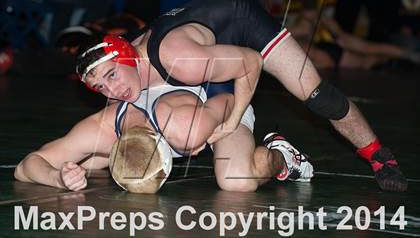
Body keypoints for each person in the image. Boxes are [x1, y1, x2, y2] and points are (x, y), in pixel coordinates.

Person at [76, 0, 408, 192]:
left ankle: (379, 156)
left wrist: (232, 119)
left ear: (128, 60)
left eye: (110, 79)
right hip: (204, 49)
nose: (111, 90)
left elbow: (250, 63)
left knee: (317, 94)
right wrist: (81, 164)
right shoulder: (121, 68)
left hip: (243, 25)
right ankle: (278, 155)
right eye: (100, 87)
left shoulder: (179, 60)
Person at [14, 79, 313, 192]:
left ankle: (282, 154)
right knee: (88, 163)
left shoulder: (182, 121)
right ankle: (93, 165)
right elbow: (27, 165)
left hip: (219, 104)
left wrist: (214, 129)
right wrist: (57, 179)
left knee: (236, 181)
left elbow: (229, 101)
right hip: (172, 121)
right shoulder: (101, 130)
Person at [290, 0, 420, 69]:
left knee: (368, 49)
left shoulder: (324, 20)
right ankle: (394, 58)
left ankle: (408, 55)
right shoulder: (303, 24)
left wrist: (338, 37)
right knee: (366, 60)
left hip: (335, 44)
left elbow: (340, 36)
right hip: (328, 48)